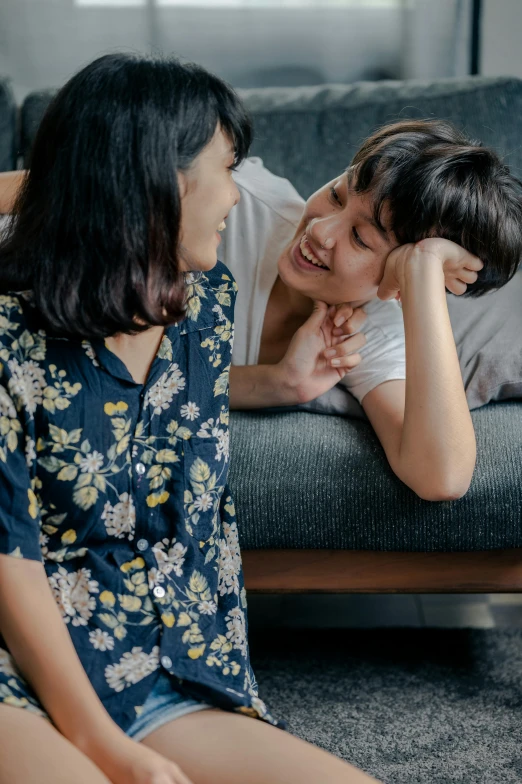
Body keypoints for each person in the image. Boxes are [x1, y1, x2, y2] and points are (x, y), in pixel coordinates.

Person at [0, 54, 381, 784]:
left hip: (166, 672)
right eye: (226, 168)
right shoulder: (8, 342)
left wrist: (280, 382)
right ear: (159, 181)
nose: (236, 197)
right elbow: (10, 569)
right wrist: (113, 754)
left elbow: (152, 428)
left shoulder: (201, 308)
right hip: (21, 676)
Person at [219, 123, 522, 500]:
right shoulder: (232, 203)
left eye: (361, 238)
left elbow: (441, 477)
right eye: (336, 194)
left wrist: (424, 271)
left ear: (395, 282)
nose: (320, 231)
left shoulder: (366, 332)